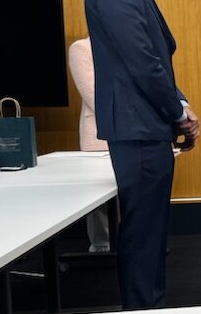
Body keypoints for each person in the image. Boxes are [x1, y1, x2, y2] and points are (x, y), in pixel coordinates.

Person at [84, 0, 200, 309]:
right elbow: (141, 62)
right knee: (143, 231)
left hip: (145, 124)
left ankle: (149, 303)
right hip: (138, 127)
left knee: (150, 230)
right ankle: (141, 306)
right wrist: (178, 111)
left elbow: (155, 57)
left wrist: (179, 102)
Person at [68, 37, 111, 253]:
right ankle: (102, 245)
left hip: (133, 132)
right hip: (98, 135)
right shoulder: (81, 48)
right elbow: (94, 96)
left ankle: (130, 243)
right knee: (100, 200)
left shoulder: (126, 45)